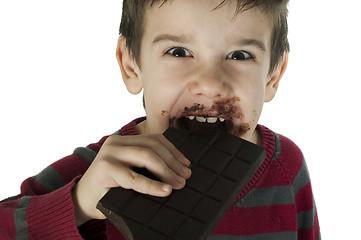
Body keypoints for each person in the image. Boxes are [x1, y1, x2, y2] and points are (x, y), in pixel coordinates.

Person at [0, 0, 321, 239]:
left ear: (273, 75)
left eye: (240, 56)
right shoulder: (97, 173)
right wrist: (80, 202)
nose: (209, 83)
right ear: (131, 65)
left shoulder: (286, 167)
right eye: (179, 52)